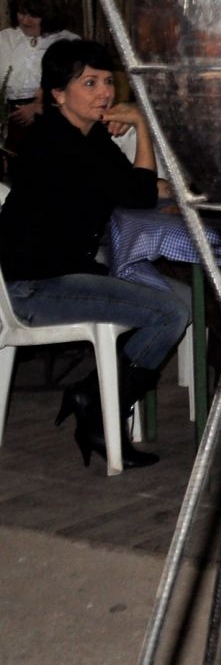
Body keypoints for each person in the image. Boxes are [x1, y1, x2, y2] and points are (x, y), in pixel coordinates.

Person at [0, 39, 189, 469]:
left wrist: (154, 183)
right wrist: (142, 124)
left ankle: (91, 395)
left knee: (181, 298)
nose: (104, 92)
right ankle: (99, 409)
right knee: (170, 312)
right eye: (89, 83)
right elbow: (141, 192)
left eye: (107, 81)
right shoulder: (57, 143)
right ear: (58, 94)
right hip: (32, 286)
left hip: (66, 272)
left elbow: (143, 185)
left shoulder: (86, 136)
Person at [0, 0, 79, 127]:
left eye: (34, 15)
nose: (25, 21)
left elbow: (77, 92)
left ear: (50, 14)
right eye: (22, 13)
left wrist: (39, 107)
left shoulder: (69, 43)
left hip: (53, 119)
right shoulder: (5, 38)